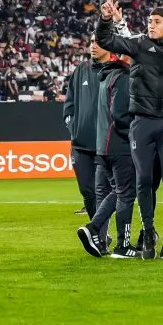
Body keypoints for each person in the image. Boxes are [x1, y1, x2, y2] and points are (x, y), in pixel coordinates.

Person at [95, 0, 163, 260]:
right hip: (142, 122)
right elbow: (106, 40)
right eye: (149, 21)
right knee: (144, 181)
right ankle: (148, 232)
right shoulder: (139, 43)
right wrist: (105, 20)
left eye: (157, 22)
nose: (151, 25)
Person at [77, 54, 136, 259]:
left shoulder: (107, 76)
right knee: (126, 194)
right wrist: (136, 134)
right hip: (119, 147)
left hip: (104, 146)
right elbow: (120, 115)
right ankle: (122, 246)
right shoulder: (123, 77)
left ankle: (93, 228)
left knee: (118, 192)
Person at [63, 36, 110, 218]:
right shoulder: (81, 69)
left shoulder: (118, 70)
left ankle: (103, 230)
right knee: (87, 191)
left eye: (98, 42)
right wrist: (73, 126)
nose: (93, 46)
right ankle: (97, 230)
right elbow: (69, 103)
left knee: (108, 191)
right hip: (81, 143)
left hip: (107, 144)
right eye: (91, 42)